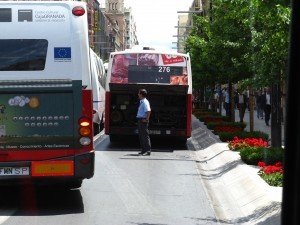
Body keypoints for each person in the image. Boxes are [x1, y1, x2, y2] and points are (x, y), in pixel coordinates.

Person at [136, 89, 151, 156]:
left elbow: (148, 111)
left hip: (143, 120)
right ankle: (143, 150)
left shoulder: (145, 102)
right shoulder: (142, 101)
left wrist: (146, 119)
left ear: (141, 94)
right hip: (140, 120)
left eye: (139, 93)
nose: (138, 94)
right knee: (141, 136)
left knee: (145, 136)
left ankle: (148, 151)